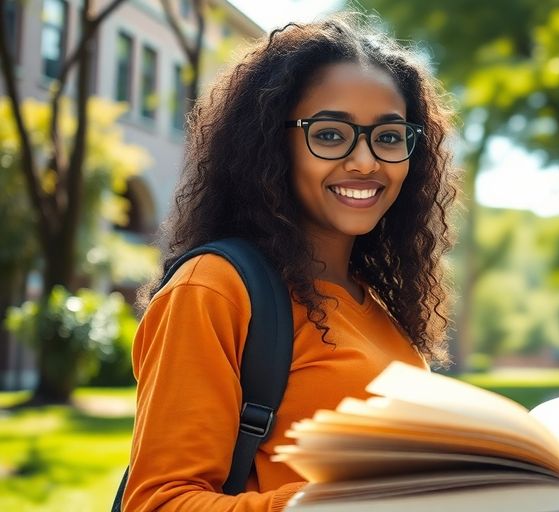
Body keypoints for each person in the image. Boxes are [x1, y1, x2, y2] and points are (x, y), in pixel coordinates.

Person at [122, 15, 458, 511]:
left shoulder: (382, 306)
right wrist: (355, 499)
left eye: (388, 137)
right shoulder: (213, 289)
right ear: (272, 145)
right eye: (329, 134)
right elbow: (158, 503)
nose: (365, 162)